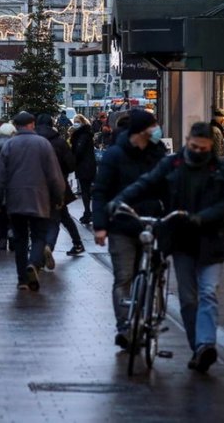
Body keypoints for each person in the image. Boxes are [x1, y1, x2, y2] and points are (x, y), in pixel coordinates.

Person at [112, 122, 224, 373]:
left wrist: (204, 217)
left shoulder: (221, 169)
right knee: (189, 298)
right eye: (194, 147)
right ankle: (198, 347)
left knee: (208, 292)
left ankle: (205, 345)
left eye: (203, 149)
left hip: (211, 240)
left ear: (210, 147)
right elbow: (147, 183)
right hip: (182, 242)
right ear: (187, 140)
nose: (198, 152)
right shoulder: (172, 165)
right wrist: (121, 200)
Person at [92, 108, 167, 349]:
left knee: (149, 275)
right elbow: (101, 191)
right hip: (122, 224)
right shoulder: (115, 155)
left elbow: (170, 186)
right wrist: (101, 226)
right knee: (123, 277)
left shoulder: (159, 154)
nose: (157, 130)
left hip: (151, 222)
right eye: (153, 125)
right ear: (140, 130)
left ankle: (148, 317)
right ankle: (124, 325)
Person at [0, 111, 66, 291]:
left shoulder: (9, 145)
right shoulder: (43, 144)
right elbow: (54, 175)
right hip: (40, 198)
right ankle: (33, 263)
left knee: (20, 239)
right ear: (32, 124)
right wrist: (58, 197)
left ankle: (22, 279)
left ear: (16, 126)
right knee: (39, 236)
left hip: (15, 200)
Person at [35, 113, 84, 260]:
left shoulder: (33, 141)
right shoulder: (59, 142)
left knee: (38, 219)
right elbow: (70, 164)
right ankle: (73, 244)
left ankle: (41, 247)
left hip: (35, 185)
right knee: (60, 216)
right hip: (57, 184)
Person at [70, 115, 97, 225]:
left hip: (84, 166)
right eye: (75, 121)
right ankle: (89, 212)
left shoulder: (81, 135)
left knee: (86, 190)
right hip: (88, 165)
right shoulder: (86, 134)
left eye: (78, 121)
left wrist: (72, 160)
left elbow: (79, 151)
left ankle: (88, 213)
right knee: (88, 190)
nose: (76, 123)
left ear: (82, 122)